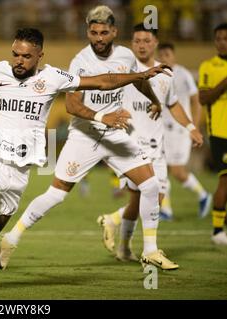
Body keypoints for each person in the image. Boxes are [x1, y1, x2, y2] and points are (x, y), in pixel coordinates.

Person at [0, 27, 172, 293]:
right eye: (16, 54)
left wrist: (140, 76)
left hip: (18, 174)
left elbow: (103, 81)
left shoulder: (53, 78)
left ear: (40, 56)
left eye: (26, 56)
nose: (19, 61)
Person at [0, 6, 169, 271]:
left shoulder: (125, 55)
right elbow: (72, 106)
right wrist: (102, 117)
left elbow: (136, 80)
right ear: (87, 31)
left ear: (114, 32)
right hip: (85, 137)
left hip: (115, 135)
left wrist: (154, 100)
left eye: (104, 32)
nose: (98, 38)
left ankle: (151, 251)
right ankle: (11, 238)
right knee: (56, 194)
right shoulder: (80, 61)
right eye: (93, 32)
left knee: (151, 185)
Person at [97, 25, 203, 267]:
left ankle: (121, 242)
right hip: (131, 148)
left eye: (146, 40)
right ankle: (145, 248)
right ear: (132, 43)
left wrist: (191, 128)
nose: (141, 45)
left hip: (157, 148)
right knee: (150, 197)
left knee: (141, 200)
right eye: (136, 41)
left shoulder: (166, 75)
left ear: (155, 43)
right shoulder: (124, 71)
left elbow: (174, 105)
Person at [157, 43, 211, 220]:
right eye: (161, 55)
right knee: (159, 169)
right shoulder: (157, 74)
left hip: (180, 130)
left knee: (178, 172)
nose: (164, 58)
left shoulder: (183, 74)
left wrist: (193, 126)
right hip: (162, 130)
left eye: (167, 54)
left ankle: (203, 195)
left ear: (173, 56)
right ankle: (166, 210)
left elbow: (196, 101)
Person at [199, 23, 227, 245]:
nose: (221, 42)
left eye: (225, 38)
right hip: (220, 134)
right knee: (225, 180)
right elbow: (203, 98)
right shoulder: (209, 66)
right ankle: (217, 230)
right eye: (218, 38)